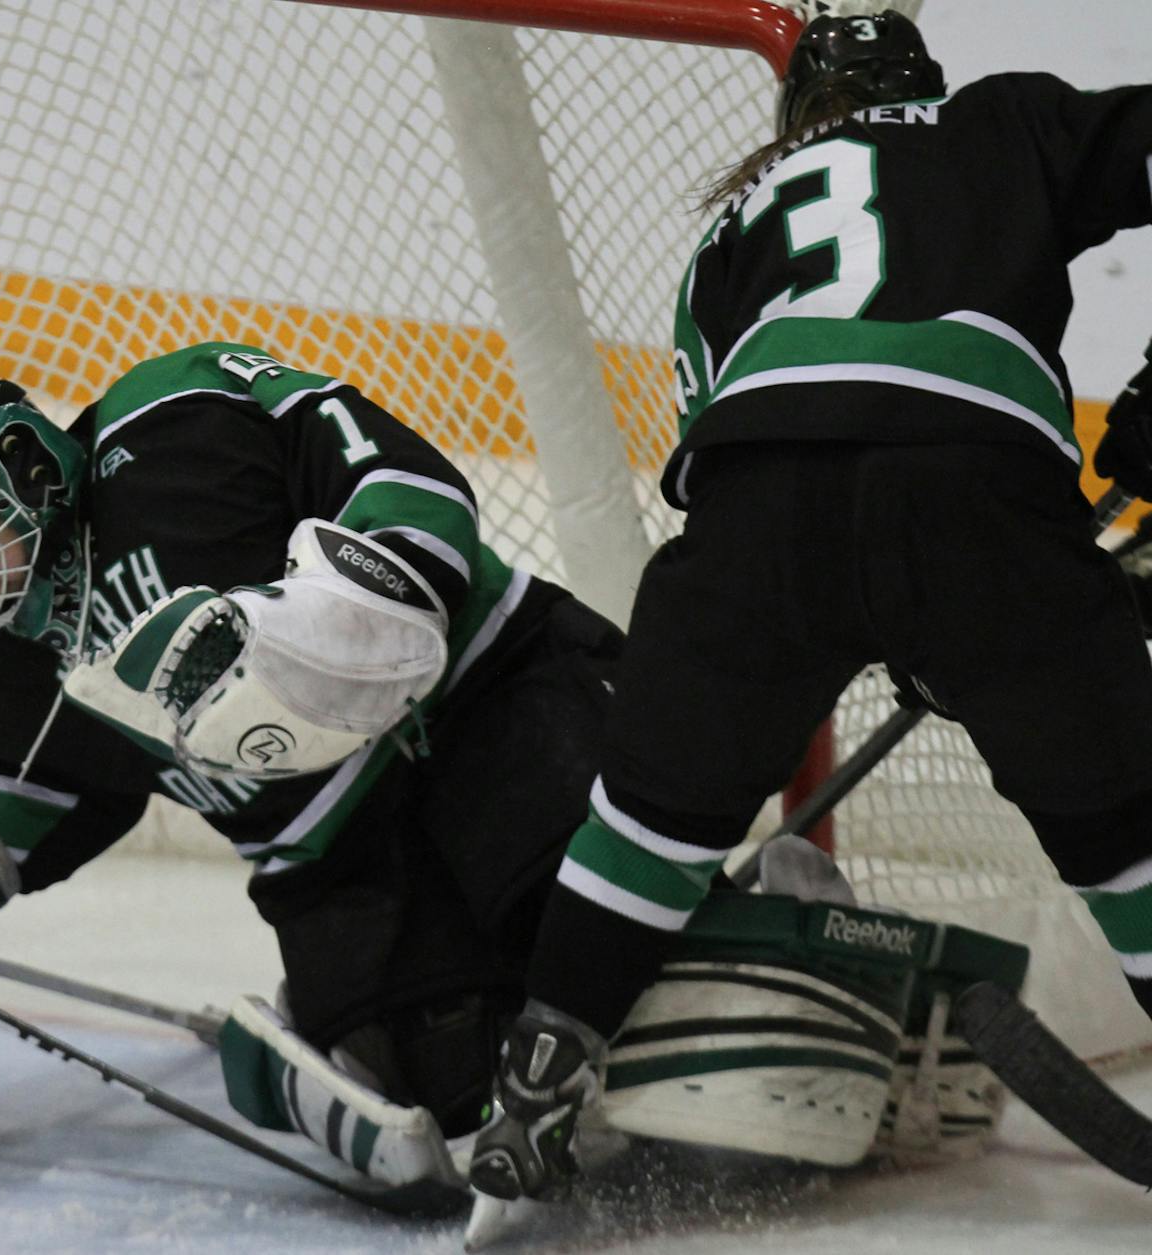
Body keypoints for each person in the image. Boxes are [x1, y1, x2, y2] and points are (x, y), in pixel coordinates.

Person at [467, 11, 1152, 1205]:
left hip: (760, 494)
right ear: (923, 81)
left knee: (651, 821)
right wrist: (954, 617)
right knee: (1124, 825)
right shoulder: (1005, 119)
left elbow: (728, 458)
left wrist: (864, 594)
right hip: (980, 482)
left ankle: (539, 1074)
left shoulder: (733, 225)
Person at [0, 342, 626, 1192]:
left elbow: (393, 476)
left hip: (480, 698)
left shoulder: (171, 425)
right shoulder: (19, 670)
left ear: (29, 466)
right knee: (448, 1077)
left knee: (582, 920)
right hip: (340, 864)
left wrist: (363, 605)